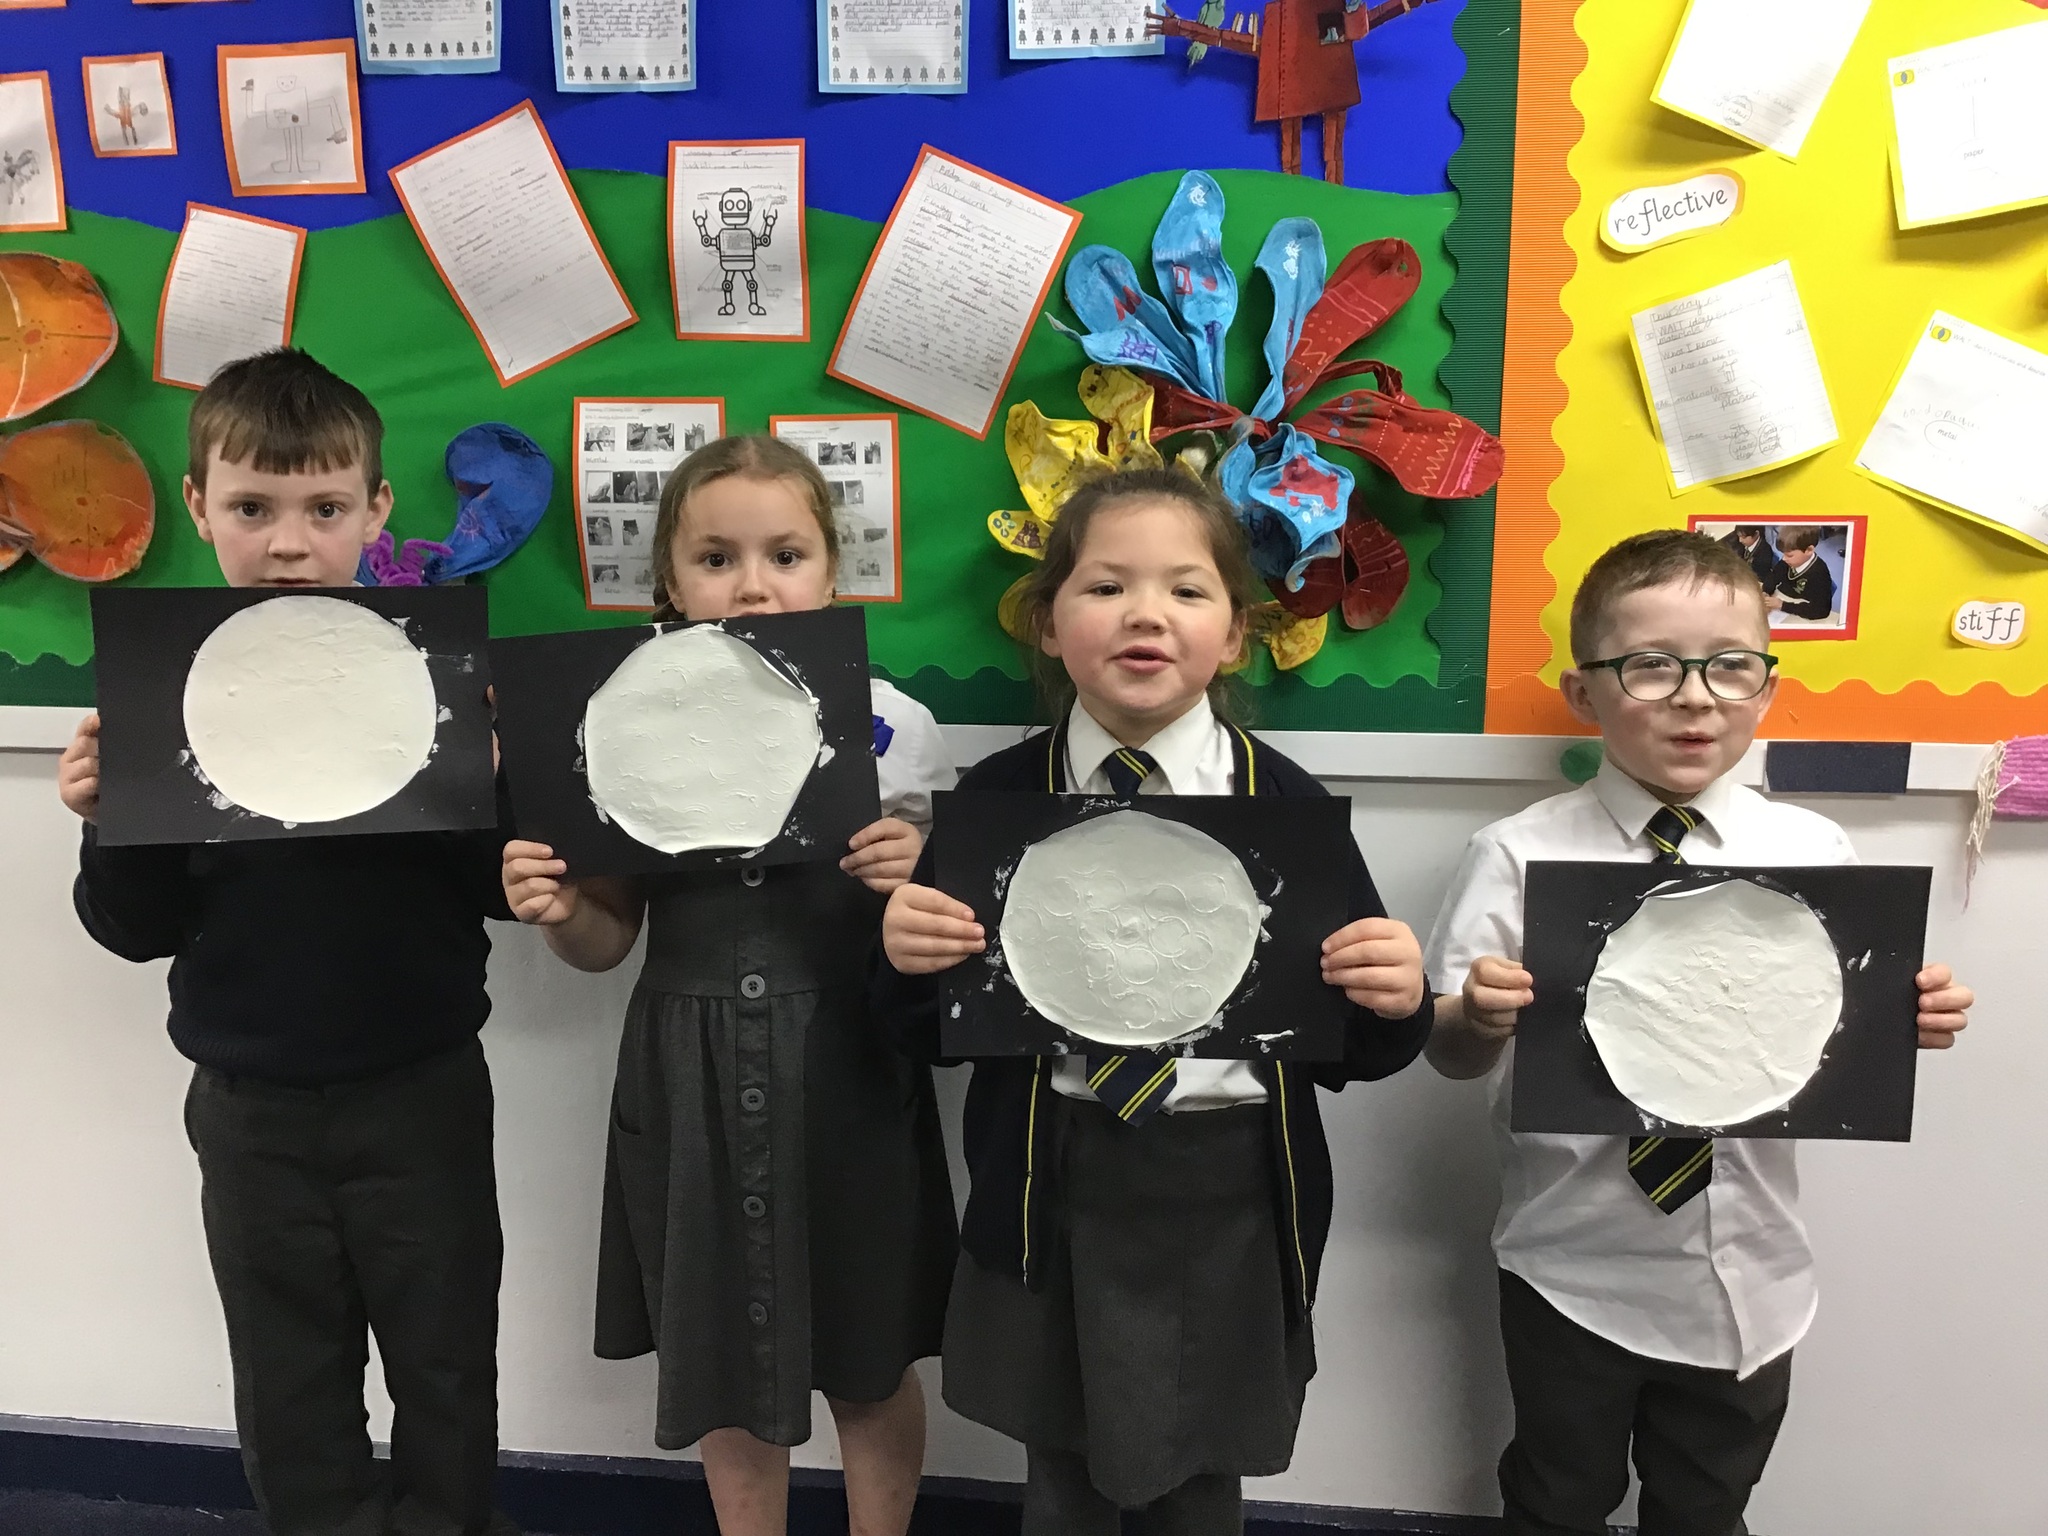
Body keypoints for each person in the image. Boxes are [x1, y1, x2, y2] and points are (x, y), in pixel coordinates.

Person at [873, 467, 1433, 1536]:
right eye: (1105, 586)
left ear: (1235, 635)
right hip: (1052, 1177)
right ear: (1048, 625)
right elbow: (923, 1032)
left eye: (1186, 589)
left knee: (1201, 1478)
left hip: (1229, 1187)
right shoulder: (995, 803)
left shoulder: (1284, 808)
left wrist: (1396, 997)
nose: (1145, 613)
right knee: (1062, 1473)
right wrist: (904, 960)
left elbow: (1351, 1050)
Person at [1422, 529, 1973, 1536]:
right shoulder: (1514, 854)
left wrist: (1906, 1022)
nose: (1694, 697)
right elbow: (1449, 1054)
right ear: (1583, 693)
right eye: (1650, 666)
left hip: (1753, 1272)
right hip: (1570, 1265)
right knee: (1554, 1498)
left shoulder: (1813, 851)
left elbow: (1838, 1040)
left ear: (1766, 686)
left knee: (1707, 1505)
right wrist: (1474, 1016)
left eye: (1728, 666)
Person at [54, 349, 520, 1536]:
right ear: (199, 504)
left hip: (419, 1092)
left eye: (324, 509)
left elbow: (501, 895)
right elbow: (131, 930)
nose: (290, 545)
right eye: (253, 508)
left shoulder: (426, 681)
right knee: (289, 1383)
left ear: (376, 510)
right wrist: (111, 819)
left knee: (446, 1365)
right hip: (251, 1106)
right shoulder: (169, 696)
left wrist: (498, 788)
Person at [498, 436, 957, 1536]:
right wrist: (560, 912)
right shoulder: (620, 725)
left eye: (786, 555)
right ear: (669, 582)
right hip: (689, 1077)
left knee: (868, 1353)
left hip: (846, 1072)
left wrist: (914, 877)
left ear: (832, 574)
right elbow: (607, 940)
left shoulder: (895, 728)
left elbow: (949, 945)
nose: (753, 585)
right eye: (716, 559)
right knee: (721, 1365)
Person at [1762, 525, 1836, 622]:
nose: (1784, 559)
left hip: (1800, 610)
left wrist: (1782, 605)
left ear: (1809, 550)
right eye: (1784, 554)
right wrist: (1766, 591)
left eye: (1789, 555)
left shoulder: (1819, 573)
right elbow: (1773, 576)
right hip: (1783, 599)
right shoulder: (1788, 561)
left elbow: (1821, 611)